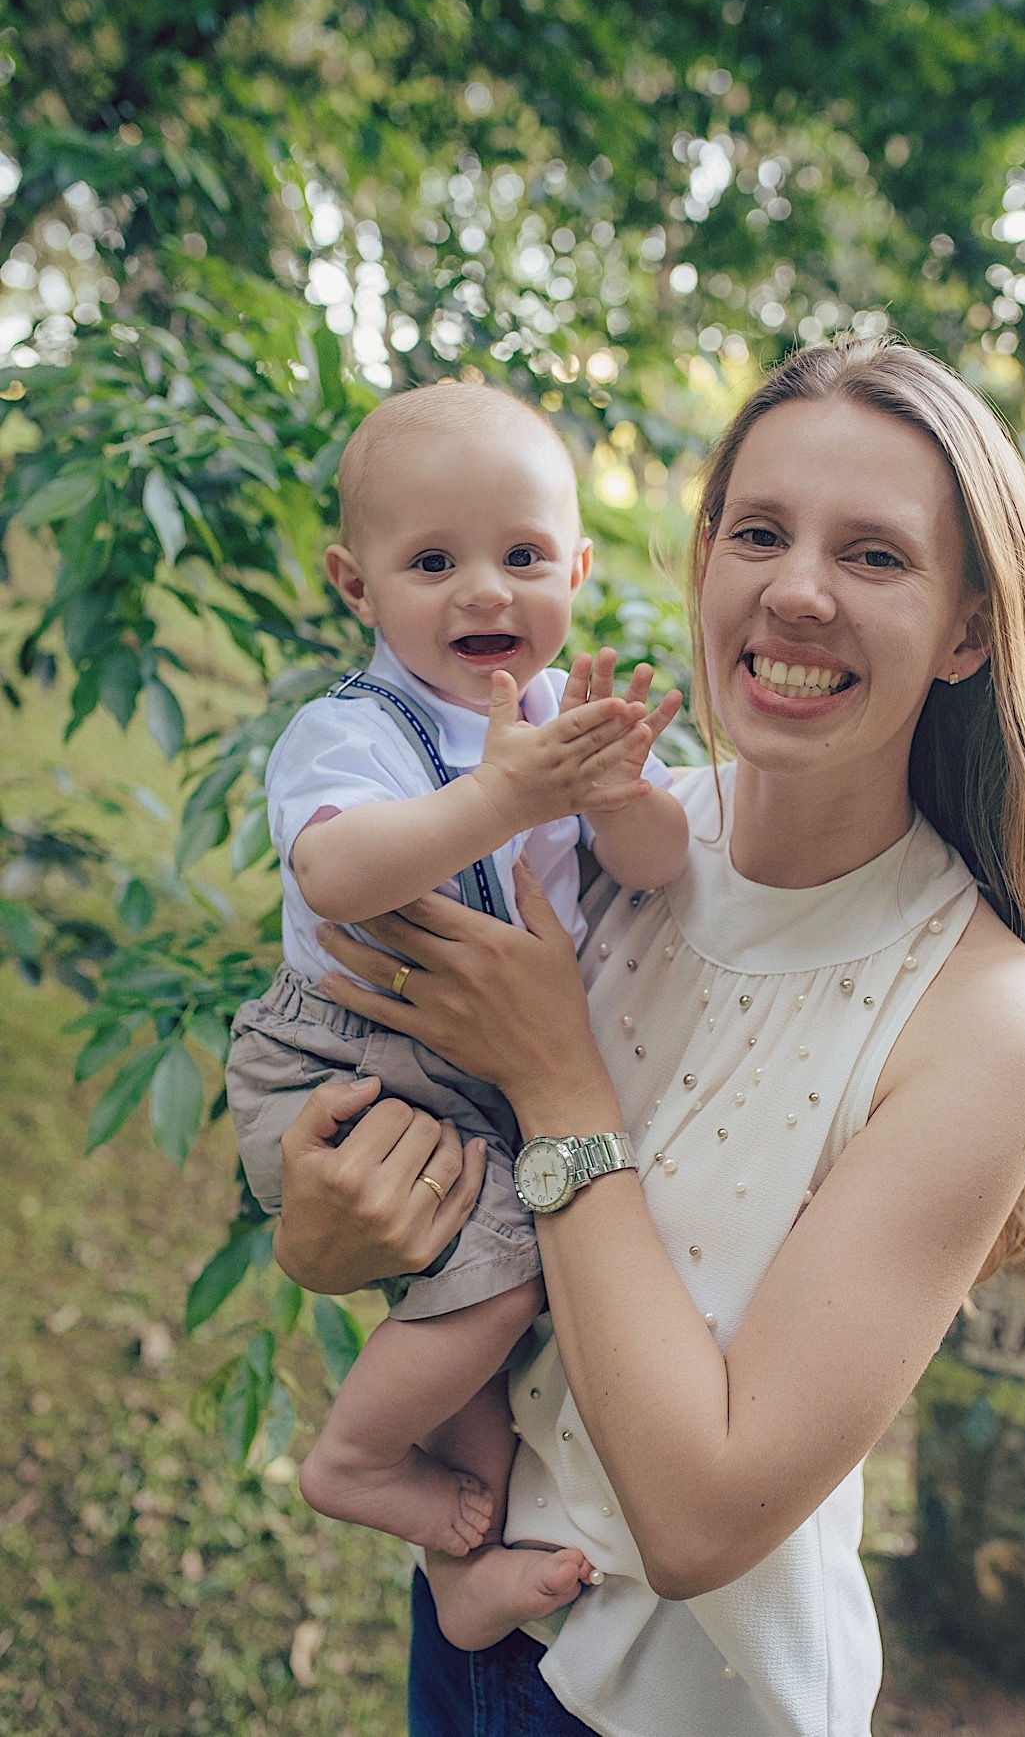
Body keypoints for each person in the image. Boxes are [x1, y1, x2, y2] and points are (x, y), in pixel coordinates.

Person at [268, 337, 1025, 1736]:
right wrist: (323, 1229)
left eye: (875, 555)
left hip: (671, 1702)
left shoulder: (987, 1017)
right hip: (473, 1617)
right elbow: (395, 1171)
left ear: (970, 632)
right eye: (761, 532)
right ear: (707, 556)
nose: (798, 590)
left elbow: (698, 1521)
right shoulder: (604, 831)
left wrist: (557, 1075)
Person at [225, 382, 689, 1640]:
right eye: (433, 562)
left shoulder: (561, 718)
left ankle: (461, 1560)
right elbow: (336, 872)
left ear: (577, 571)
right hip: (343, 1059)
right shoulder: (348, 730)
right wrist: (501, 799)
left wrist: (621, 791)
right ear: (356, 585)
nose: (485, 591)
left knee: (475, 1300)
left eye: (523, 556)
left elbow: (655, 867)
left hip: (460, 1065)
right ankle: (354, 1460)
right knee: (503, 1274)